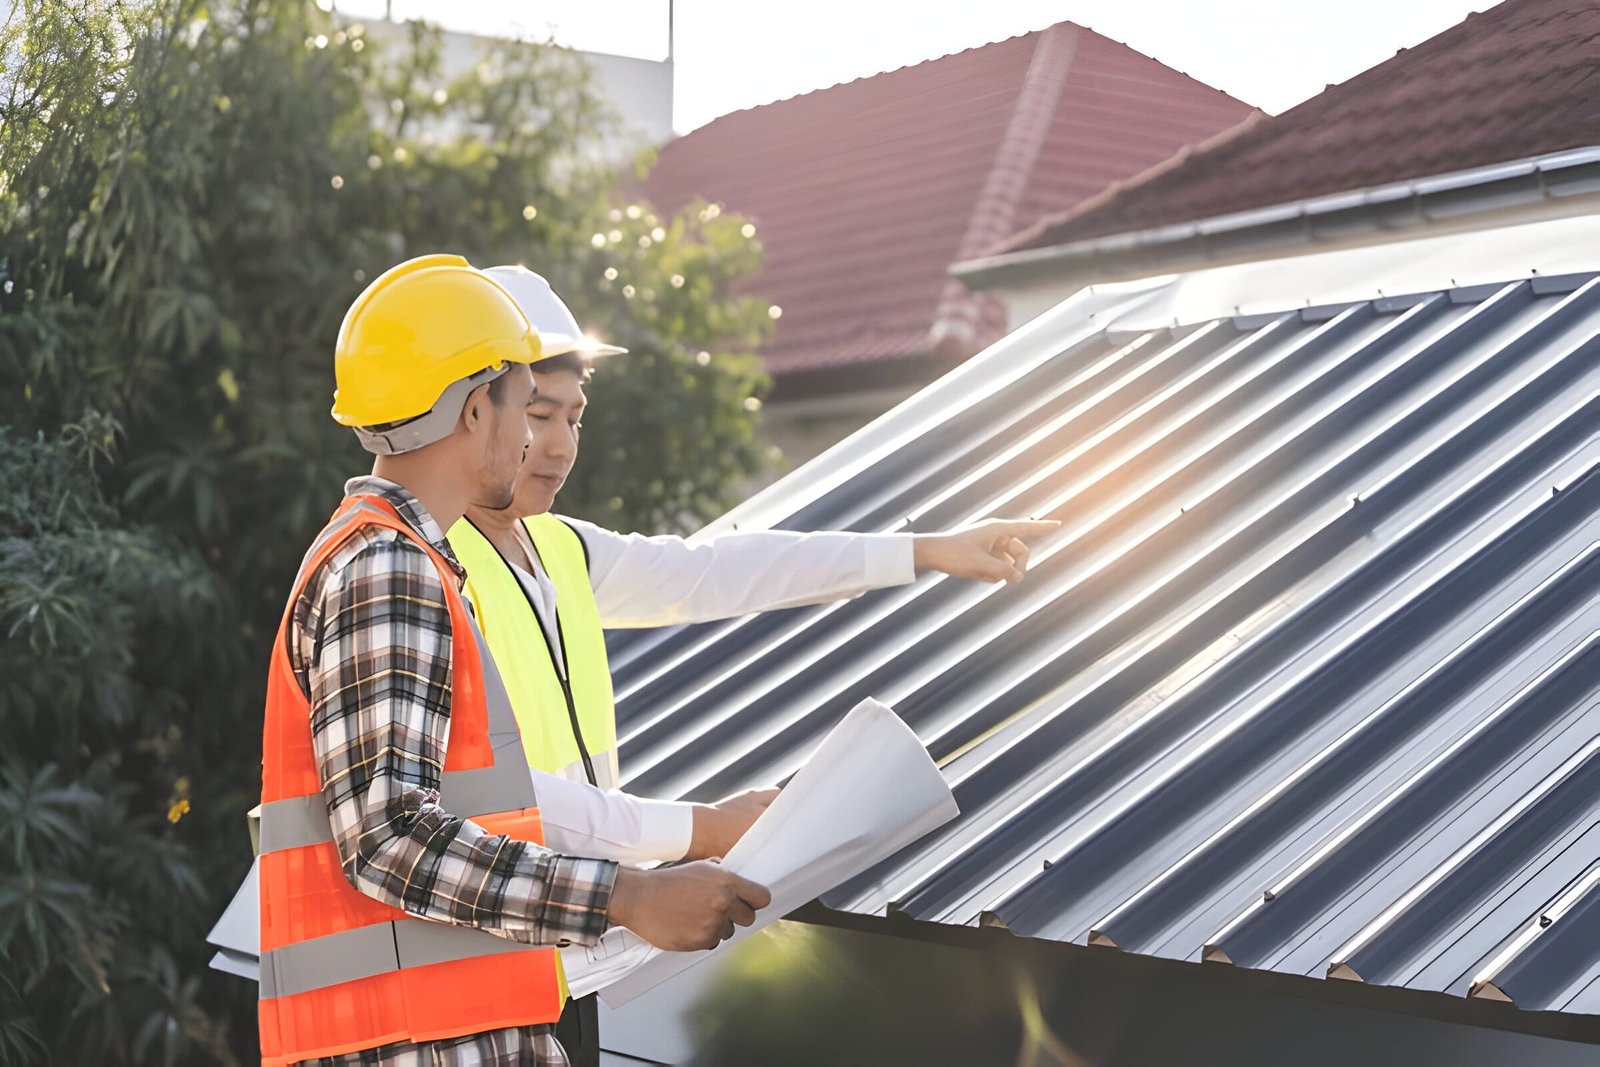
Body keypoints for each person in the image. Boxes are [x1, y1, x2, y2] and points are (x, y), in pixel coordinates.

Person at [448, 265, 1059, 1064]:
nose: (558, 445)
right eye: (537, 413)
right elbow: (500, 793)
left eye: (574, 417)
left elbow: (723, 569)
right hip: (485, 967)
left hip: (566, 958)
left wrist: (923, 549)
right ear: (477, 410)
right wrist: (698, 828)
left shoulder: (558, 549)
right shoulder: (435, 568)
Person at [255, 254, 769, 1067]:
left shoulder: (404, 561)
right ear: (473, 408)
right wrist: (626, 894)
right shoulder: (389, 569)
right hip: (414, 1045)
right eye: (525, 405)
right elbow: (389, 837)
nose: (535, 436)